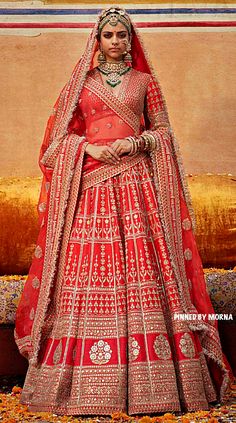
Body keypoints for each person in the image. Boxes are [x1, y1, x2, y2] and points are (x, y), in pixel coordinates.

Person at [14, 6, 231, 416]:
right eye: (109, 35)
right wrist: (87, 147)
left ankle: (160, 386)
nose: (116, 41)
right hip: (92, 191)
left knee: (148, 270)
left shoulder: (145, 82)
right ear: (97, 40)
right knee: (89, 270)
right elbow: (53, 146)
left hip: (137, 189)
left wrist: (141, 143)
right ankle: (80, 389)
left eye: (122, 35)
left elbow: (164, 130)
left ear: (132, 40)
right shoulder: (81, 84)